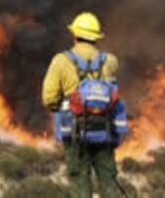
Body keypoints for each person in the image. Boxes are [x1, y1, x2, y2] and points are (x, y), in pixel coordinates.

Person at [42, 11, 123, 198]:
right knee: (108, 180)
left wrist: (64, 106)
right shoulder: (110, 61)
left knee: (79, 181)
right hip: (104, 131)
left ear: (74, 34)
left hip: (75, 133)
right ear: (96, 37)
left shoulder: (61, 61)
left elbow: (49, 98)